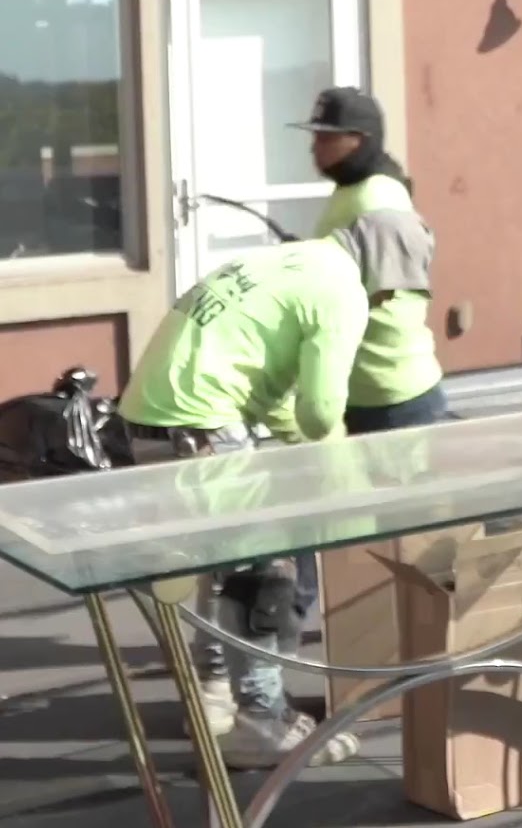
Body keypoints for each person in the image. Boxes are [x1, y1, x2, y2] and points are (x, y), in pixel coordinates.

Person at [117, 208, 436, 768]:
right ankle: (261, 721)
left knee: (221, 564)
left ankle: (212, 696)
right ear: (387, 268)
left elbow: (283, 403)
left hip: (149, 416)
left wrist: (316, 449)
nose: (387, 302)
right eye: (394, 290)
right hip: (202, 425)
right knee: (262, 573)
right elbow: (320, 411)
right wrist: (338, 467)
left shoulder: (298, 260)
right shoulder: (344, 292)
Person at [293, 87, 449, 432]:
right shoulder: (351, 187)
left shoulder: (378, 201)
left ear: (360, 140)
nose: (314, 147)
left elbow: (390, 304)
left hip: (394, 401)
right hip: (362, 393)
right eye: (315, 136)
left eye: (326, 138)